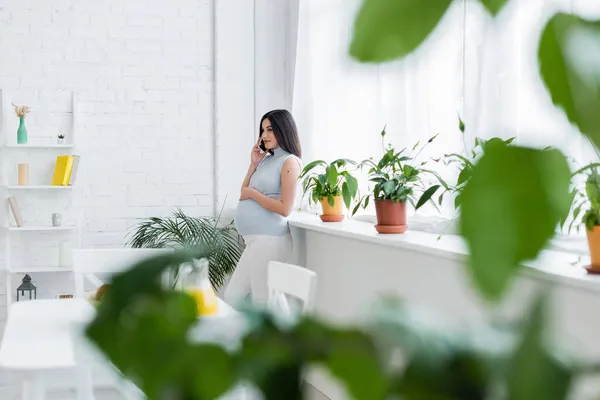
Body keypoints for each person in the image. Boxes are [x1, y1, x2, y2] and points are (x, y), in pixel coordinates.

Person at [224, 109, 302, 306]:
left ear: (283, 130)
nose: (264, 135)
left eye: (270, 129)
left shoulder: (289, 162)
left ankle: (284, 335)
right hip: (255, 242)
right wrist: (253, 164)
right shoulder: (266, 160)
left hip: (270, 239)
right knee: (233, 296)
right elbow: (243, 191)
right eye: (262, 130)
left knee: (264, 302)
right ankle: (287, 333)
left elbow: (285, 208)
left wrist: (254, 194)